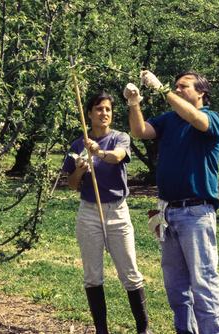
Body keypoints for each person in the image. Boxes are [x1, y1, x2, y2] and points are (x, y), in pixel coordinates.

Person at [124, 71, 219, 334]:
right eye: (175, 86)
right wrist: (134, 103)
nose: (178, 89)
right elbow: (139, 131)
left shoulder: (211, 119)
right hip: (168, 212)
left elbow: (194, 118)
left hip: (196, 212)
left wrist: (161, 90)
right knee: (176, 286)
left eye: (184, 86)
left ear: (201, 92)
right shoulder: (169, 120)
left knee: (203, 283)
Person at [62, 91, 152, 334]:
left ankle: (143, 329)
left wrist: (98, 152)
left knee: (130, 273)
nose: (104, 113)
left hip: (117, 212)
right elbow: (71, 183)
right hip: (89, 213)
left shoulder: (119, 137)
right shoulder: (77, 145)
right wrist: (81, 170)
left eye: (108, 110)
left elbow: (118, 157)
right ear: (89, 113)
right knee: (92, 276)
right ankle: (101, 330)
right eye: (99, 109)